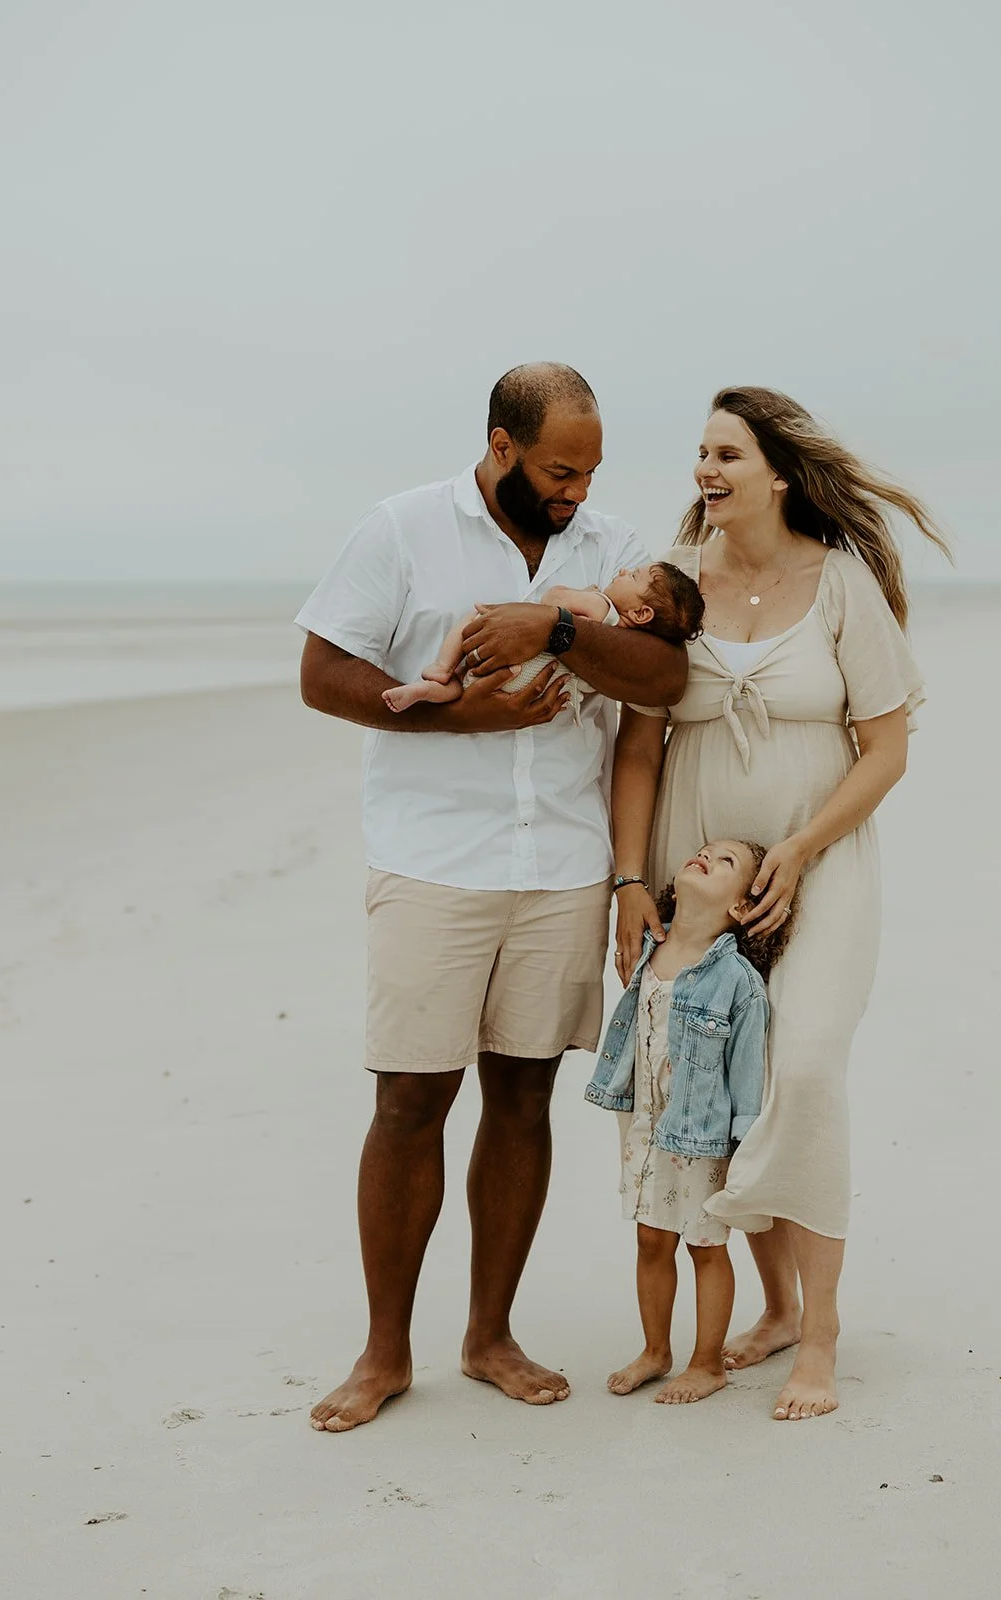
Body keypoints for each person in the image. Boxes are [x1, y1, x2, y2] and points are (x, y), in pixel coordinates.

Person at [296, 362, 688, 1433]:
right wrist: (457, 720)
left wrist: (554, 630)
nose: (575, 491)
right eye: (560, 470)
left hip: (560, 865)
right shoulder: (400, 529)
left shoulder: (609, 546)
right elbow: (322, 674)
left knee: (522, 1099)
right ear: (501, 446)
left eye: (590, 470)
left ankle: (488, 1335)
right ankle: (384, 1352)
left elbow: (660, 681)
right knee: (408, 1102)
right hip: (432, 863)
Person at [612, 386, 948, 1421]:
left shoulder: (839, 583)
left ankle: (819, 1331)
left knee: (799, 1072)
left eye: (726, 453)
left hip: (819, 864)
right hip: (694, 873)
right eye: (698, 454)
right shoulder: (675, 588)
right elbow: (638, 744)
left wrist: (798, 848)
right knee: (719, 1083)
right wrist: (630, 880)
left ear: (779, 474)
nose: (704, 471)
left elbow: (884, 749)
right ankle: (765, 1307)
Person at [586, 840, 792, 1405]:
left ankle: (707, 1364)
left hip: (703, 1138)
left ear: (743, 909)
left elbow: (748, 1073)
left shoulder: (738, 981)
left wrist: (745, 1145)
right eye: (704, 850)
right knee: (650, 1239)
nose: (706, 856)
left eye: (726, 862)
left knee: (705, 1246)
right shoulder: (648, 950)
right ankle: (656, 1350)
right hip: (649, 1130)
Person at [381, 561, 703, 717]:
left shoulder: (601, 607)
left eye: (633, 576)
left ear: (642, 614)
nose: (622, 572)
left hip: (519, 664)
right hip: (533, 687)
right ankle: (430, 691)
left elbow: (552, 598)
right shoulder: (619, 647)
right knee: (461, 689)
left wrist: (582, 594)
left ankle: (439, 668)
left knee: (476, 618)